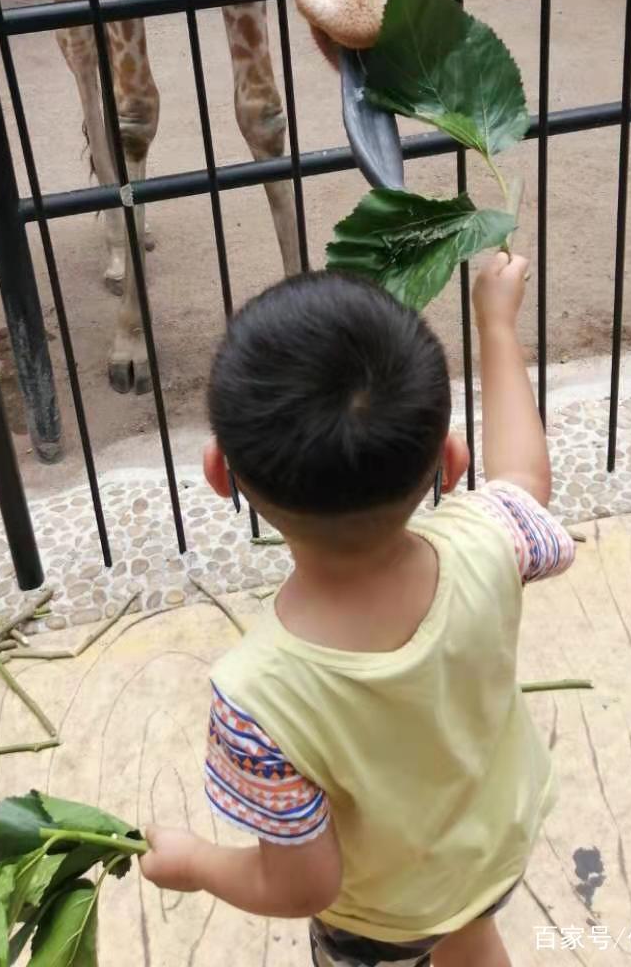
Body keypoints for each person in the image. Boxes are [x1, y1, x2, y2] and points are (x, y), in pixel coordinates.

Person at [140, 254, 576, 966]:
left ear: (221, 474)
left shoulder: (256, 699)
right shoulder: (492, 539)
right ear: (451, 459)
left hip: (386, 919)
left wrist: (194, 865)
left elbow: (306, 882)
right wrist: (496, 323)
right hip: (495, 847)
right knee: (468, 931)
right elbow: (526, 477)